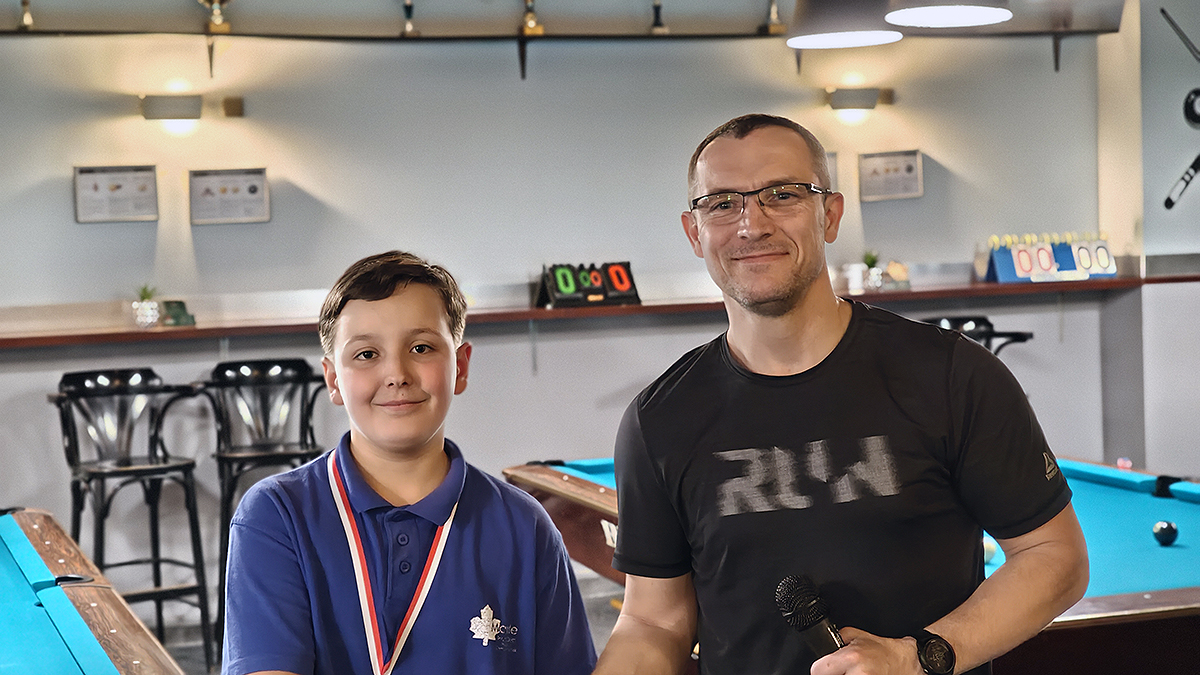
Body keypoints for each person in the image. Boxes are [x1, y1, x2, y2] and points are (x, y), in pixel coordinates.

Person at [593, 114, 1089, 675]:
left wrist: (918, 657)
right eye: (723, 203)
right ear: (694, 232)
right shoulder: (659, 420)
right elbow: (654, 621)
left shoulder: (952, 376)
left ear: (829, 215)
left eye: (782, 194)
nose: (751, 225)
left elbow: (1054, 556)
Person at [223, 250, 597, 675]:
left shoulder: (524, 527)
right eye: (366, 354)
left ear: (461, 367)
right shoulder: (276, 516)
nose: (397, 374)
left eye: (421, 347)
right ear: (333, 380)